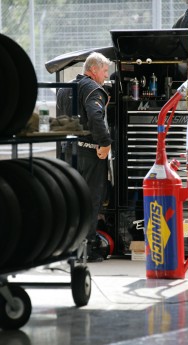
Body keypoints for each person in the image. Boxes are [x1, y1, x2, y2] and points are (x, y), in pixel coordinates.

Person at [76, 52, 112, 262]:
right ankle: (88, 248)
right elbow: (96, 117)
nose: (107, 76)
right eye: (105, 71)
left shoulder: (68, 88)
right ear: (94, 69)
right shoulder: (93, 89)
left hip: (70, 153)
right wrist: (105, 143)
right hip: (91, 153)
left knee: (74, 198)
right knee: (91, 199)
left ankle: (71, 244)